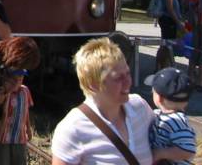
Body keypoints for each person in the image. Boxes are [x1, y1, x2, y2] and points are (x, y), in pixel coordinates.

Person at [51, 37, 155, 165]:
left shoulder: (140, 107)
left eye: (128, 73)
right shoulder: (73, 129)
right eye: (118, 78)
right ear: (93, 85)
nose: (128, 82)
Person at [149, 67, 196, 165]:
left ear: (159, 98)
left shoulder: (177, 122)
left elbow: (188, 151)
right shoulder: (160, 114)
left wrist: (160, 153)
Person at [0, 73, 33, 165]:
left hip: (20, 137)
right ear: (7, 80)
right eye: (14, 80)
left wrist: (28, 128)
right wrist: (7, 91)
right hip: (3, 137)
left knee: (19, 161)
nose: (17, 83)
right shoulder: (3, 92)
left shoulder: (25, 91)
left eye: (20, 80)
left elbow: (26, 110)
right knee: (2, 161)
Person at [157, 0, 184, 70]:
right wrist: (178, 22)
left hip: (167, 21)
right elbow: (170, 9)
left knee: (164, 44)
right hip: (169, 21)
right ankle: (164, 67)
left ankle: (160, 67)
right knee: (167, 45)